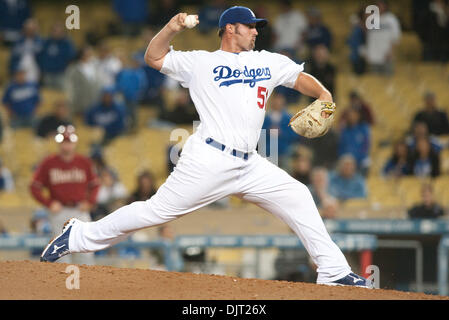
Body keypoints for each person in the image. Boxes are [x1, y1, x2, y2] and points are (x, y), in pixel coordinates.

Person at [41, 6, 371, 288]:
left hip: (251, 163)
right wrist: (172, 27)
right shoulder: (201, 62)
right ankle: (77, 236)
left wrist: (324, 95)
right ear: (231, 28)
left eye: (257, 28)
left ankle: (334, 272)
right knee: (156, 212)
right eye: (250, 27)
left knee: (298, 195)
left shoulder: (268, 61)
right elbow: (153, 56)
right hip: (209, 158)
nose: (255, 33)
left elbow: (300, 78)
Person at [30, 125, 99, 264]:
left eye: (69, 141)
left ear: (75, 143)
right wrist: (48, 203)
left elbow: (95, 185)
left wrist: (90, 202)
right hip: (59, 210)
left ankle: (86, 285)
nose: (66, 145)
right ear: (58, 143)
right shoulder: (49, 162)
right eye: (64, 142)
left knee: (85, 250)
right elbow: (34, 187)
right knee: (61, 254)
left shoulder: (84, 162)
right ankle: (63, 285)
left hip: (79, 209)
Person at [260, 92, 299, 169]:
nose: (278, 102)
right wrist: (268, 131)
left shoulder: (289, 118)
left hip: (285, 151)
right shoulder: (265, 118)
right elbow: (260, 137)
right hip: (269, 152)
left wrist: (282, 133)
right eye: (276, 100)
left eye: (280, 100)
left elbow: (295, 136)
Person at [65, 46, 103, 116]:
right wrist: (72, 99)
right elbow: (70, 85)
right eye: (87, 54)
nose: (89, 55)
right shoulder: (74, 68)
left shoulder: (95, 66)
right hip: (80, 100)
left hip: (94, 99)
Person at [366, 0, 401, 75]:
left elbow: (395, 37)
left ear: (385, 6)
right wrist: (369, 53)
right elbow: (370, 38)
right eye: (377, 5)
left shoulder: (391, 19)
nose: (379, 7)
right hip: (374, 57)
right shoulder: (372, 20)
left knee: (387, 83)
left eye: (381, 5)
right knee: (375, 83)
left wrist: (391, 52)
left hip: (387, 57)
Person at [38, 22, 76, 90]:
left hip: (61, 74)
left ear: (63, 32)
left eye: (58, 31)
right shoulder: (46, 42)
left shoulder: (67, 44)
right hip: (47, 74)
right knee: (48, 93)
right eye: (54, 31)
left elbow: (72, 58)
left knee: (61, 94)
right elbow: (41, 57)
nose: (56, 33)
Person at [9, 18, 43, 82]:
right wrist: (13, 71)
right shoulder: (18, 41)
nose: (30, 31)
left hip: (35, 70)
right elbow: (13, 58)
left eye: (32, 29)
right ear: (24, 29)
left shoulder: (40, 41)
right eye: (28, 29)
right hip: (19, 70)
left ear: (36, 30)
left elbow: (42, 59)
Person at [338, 106, 371, 174]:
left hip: (360, 161)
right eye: (350, 115)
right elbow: (341, 146)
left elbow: (366, 146)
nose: (351, 116)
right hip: (346, 161)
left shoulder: (364, 128)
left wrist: (357, 160)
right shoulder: (344, 130)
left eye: (353, 114)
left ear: (358, 115)